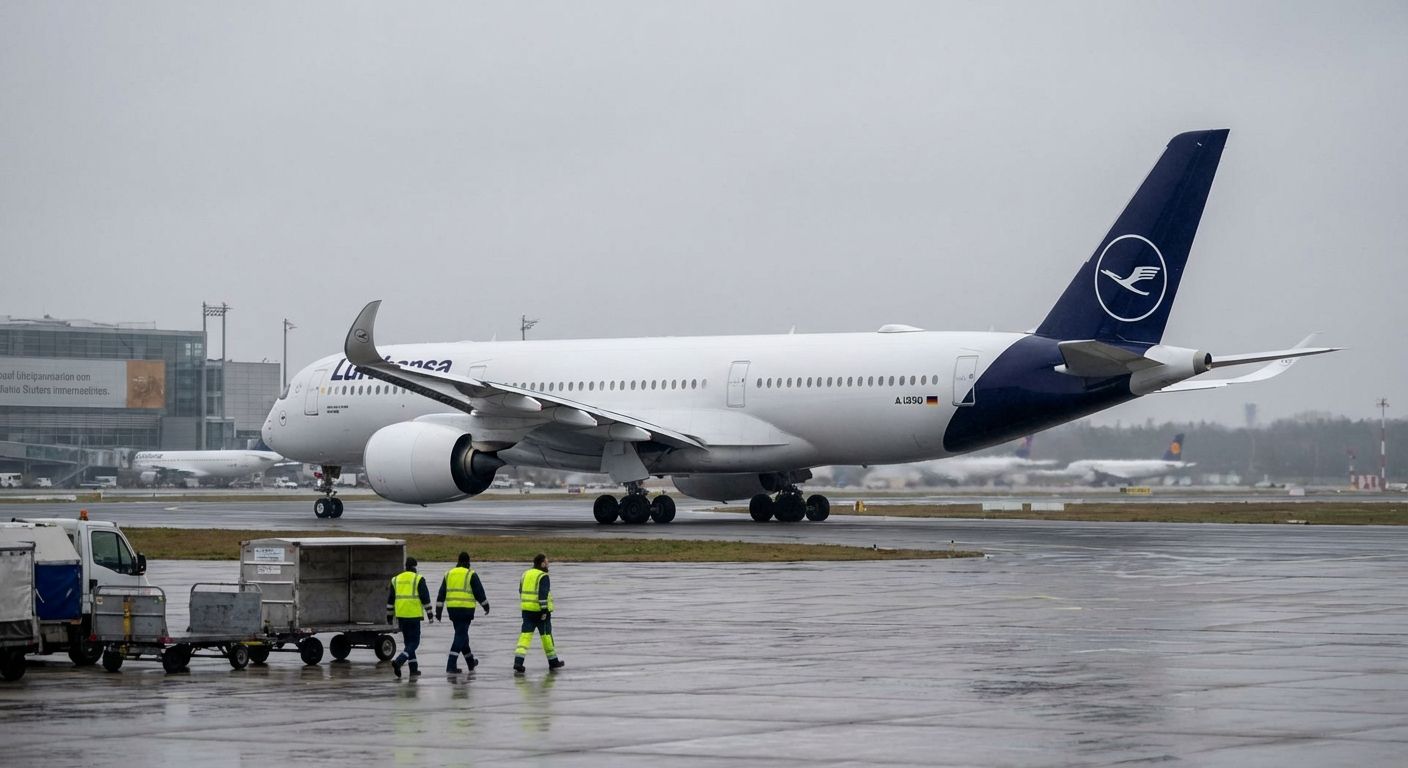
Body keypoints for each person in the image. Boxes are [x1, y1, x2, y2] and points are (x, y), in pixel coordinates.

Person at [435, 551, 490, 673]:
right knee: (460, 636)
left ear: (458, 561)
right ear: (468, 562)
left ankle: (471, 662)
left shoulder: (448, 574)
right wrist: (486, 606)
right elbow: (479, 592)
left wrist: (438, 611)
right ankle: (451, 664)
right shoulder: (471, 574)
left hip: (453, 611)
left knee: (462, 636)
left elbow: (441, 593)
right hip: (465, 611)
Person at [514, 552, 565, 673]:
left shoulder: (525, 574)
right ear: (542, 564)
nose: (548, 565)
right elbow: (543, 594)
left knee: (525, 636)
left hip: (526, 611)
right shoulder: (543, 576)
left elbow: (520, 590)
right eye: (547, 562)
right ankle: (553, 662)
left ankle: (518, 662)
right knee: (546, 636)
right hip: (540, 612)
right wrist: (544, 610)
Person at [386, 556, 433, 678]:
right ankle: (399, 661)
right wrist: (430, 614)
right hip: (413, 616)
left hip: (401, 616)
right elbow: (425, 598)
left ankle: (413, 669)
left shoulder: (396, 579)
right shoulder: (418, 579)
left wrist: (389, 616)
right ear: (414, 567)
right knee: (414, 643)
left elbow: (390, 600)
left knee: (408, 643)